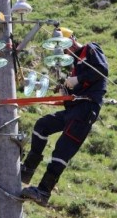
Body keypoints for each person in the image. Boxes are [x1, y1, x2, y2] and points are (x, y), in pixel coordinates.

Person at [20, 27, 109, 206]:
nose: (65, 51)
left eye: (65, 46)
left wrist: (77, 80)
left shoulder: (90, 49)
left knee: (62, 149)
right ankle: (28, 169)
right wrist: (65, 90)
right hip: (73, 109)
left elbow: (101, 70)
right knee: (42, 125)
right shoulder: (75, 66)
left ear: (73, 40)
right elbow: (73, 93)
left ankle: (44, 191)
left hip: (86, 108)